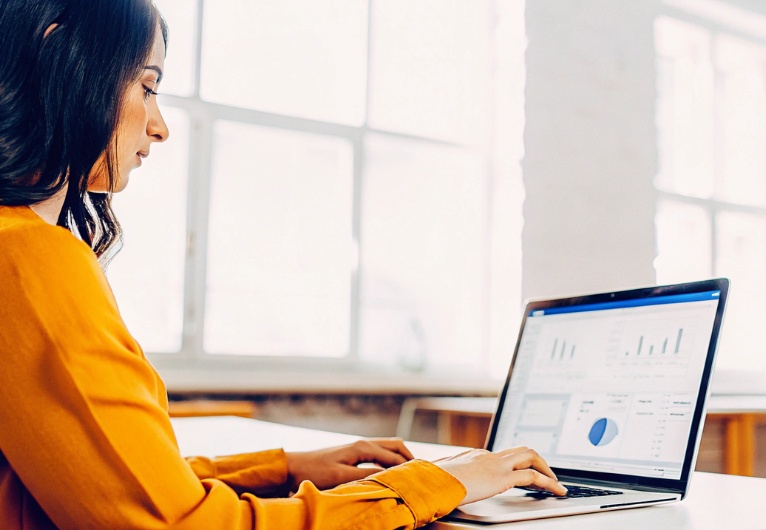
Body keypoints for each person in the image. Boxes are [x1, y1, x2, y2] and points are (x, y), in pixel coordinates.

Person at [0, 0, 567, 528]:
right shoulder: (32, 259)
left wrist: (287, 468)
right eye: (147, 87)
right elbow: (180, 523)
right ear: (61, 59)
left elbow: (119, 483)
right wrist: (435, 482)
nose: (160, 125)